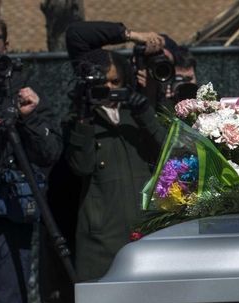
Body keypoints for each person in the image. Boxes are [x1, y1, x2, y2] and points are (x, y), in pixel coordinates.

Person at [64, 21, 167, 282]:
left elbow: (168, 155)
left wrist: (144, 112)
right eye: (103, 82)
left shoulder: (136, 117)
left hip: (147, 236)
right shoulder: (79, 121)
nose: (109, 89)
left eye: (116, 82)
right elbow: (82, 165)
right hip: (102, 244)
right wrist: (84, 118)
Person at [0, 15, 62, 303]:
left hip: (6, 217)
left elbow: (49, 152)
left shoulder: (19, 90)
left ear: (6, 43)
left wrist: (28, 117)